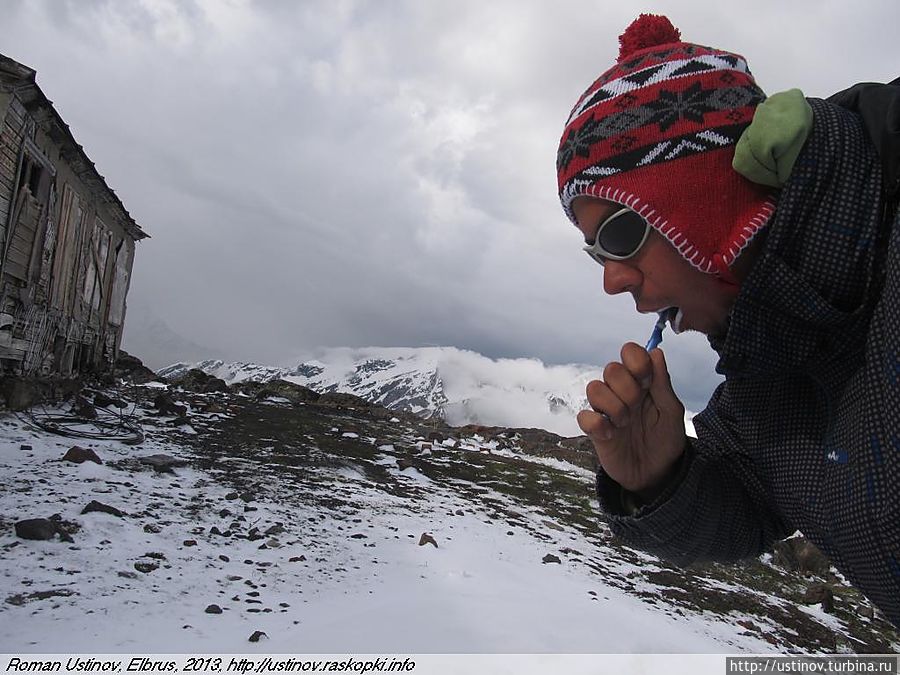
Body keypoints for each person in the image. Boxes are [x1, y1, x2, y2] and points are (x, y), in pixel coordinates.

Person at [556, 14, 900, 627]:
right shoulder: (768, 383)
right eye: (597, 252)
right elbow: (748, 501)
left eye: (620, 233)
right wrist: (658, 478)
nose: (612, 279)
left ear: (705, 204)